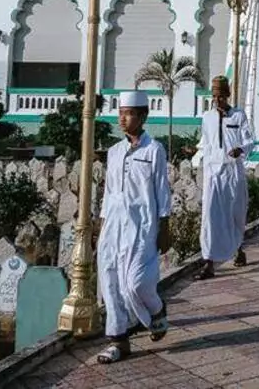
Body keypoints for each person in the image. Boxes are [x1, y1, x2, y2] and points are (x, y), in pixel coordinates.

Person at [95, 90, 172, 364]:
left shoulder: (154, 150)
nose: (123, 119)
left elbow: (161, 189)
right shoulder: (114, 152)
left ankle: (157, 311)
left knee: (136, 282)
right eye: (120, 113)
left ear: (143, 116)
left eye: (128, 113)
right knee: (111, 281)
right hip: (113, 226)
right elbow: (109, 192)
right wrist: (101, 226)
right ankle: (118, 340)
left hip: (143, 226)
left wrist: (165, 225)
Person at [197, 75, 254, 279]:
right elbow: (205, 141)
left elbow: (250, 140)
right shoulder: (207, 117)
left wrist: (241, 149)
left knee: (235, 213)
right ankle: (209, 261)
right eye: (214, 96)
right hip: (212, 173)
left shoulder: (239, 116)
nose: (218, 100)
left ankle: (238, 248)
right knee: (210, 216)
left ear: (228, 95)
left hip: (233, 172)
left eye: (221, 96)